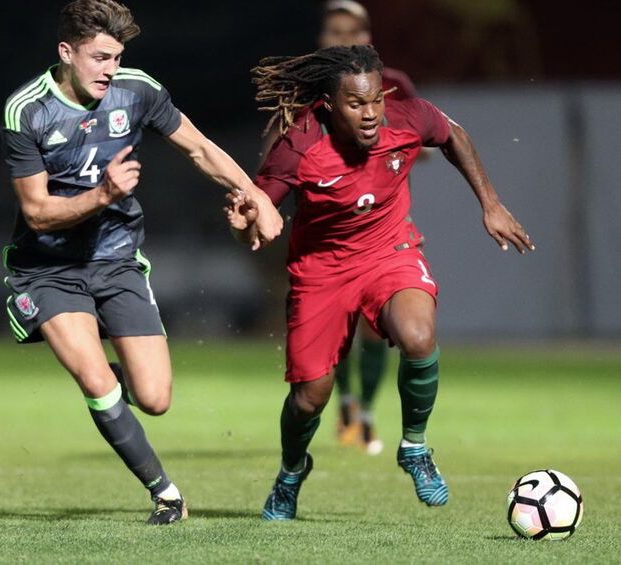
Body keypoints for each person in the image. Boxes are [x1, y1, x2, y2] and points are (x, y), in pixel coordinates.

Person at [1, 0, 282, 524]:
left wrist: (257, 196)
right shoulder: (27, 110)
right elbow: (37, 213)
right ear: (67, 52)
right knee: (98, 383)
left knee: (154, 397)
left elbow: (199, 148)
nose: (111, 69)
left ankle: (101, 375)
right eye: (99, 57)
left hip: (117, 260)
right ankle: (166, 493)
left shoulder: (138, 91)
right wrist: (102, 196)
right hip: (48, 269)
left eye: (117, 57)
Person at [227, 45, 532, 520]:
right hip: (320, 270)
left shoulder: (408, 117)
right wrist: (245, 221)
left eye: (376, 101)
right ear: (329, 105)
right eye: (356, 104)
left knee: (418, 336)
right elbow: (258, 214)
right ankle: (290, 472)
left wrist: (490, 203)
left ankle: (414, 447)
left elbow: (453, 136)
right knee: (311, 397)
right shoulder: (300, 144)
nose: (370, 114)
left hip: (389, 251)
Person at [318, 0, 419, 455]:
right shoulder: (311, 87)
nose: (342, 40)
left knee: (376, 328)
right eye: (333, 32)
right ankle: (346, 401)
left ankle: (367, 414)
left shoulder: (392, 85)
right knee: (337, 324)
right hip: (325, 224)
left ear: (366, 37)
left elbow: (424, 134)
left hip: (380, 224)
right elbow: (282, 144)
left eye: (351, 32)